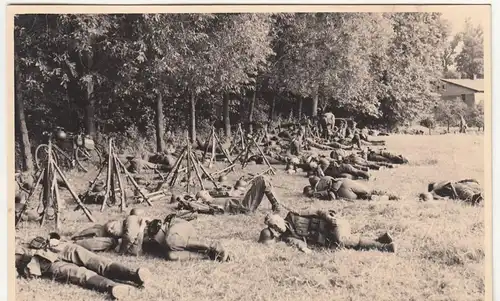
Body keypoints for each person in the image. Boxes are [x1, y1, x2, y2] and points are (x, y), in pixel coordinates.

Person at [15, 233, 151, 300]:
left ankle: (133, 275)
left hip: (54, 247)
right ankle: (112, 287)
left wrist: (52, 241)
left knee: (95, 260)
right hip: (41, 263)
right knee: (79, 274)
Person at [258, 211, 396, 253]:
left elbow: (316, 210)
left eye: (276, 224)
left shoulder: (293, 214)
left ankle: (385, 248)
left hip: (333, 225)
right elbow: (297, 242)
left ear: (280, 219)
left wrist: (328, 217)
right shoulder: (287, 236)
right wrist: (304, 249)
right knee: (341, 243)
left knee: (341, 239)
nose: (277, 228)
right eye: (273, 227)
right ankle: (381, 240)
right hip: (327, 239)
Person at [141, 214, 231, 262]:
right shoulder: (153, 235)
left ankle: (217, 247)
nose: (155, 240)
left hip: (179, 228)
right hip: (183, 237)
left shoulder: (170, 233)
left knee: (171, 241)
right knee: (171, 255)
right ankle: (208, 255)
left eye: (155, 237)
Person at [176, 176, 281, 215]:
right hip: (244, 207)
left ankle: (276, 205)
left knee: (260, 179)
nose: (207, 192)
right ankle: (276, 205)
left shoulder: (213, 199)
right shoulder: (209, 204)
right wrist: (186, 201)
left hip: (243, 202)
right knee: (262, 180)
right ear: (201, 199)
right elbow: (194, 206)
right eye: (204, 193)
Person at [303, 176, 399, 201]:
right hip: (345, 182)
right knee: (368, 191)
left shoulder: (317, 191)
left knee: (364, 197)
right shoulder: (326, 178)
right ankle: (390, 195)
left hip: (342, 193)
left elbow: (329, 196)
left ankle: (386, 198)